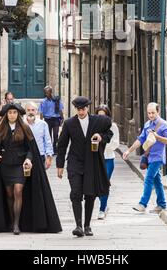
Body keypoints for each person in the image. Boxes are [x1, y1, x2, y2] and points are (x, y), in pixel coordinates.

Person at [0, 103, 62, 235]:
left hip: (20, 165)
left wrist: (29, 159)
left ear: (18, 114)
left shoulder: (24, 128)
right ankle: (11, 221)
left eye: (14, 113)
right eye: (10, 113)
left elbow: (31, 148)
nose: (12, 115)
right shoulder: (0, 128)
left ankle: (16, 224)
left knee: (18, 190)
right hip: (5, 165)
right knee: (9, 194)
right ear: (7, 115)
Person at [56, 96, 113, 238]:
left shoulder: (97, 121)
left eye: (83, 109)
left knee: (90, 194)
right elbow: (62, 145)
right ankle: (78, 226)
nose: (81, 112)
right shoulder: (69, 123)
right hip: (75, 162)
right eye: (79, 109)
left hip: (91, 162)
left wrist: (100, 136)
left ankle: (87, 225)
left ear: (87, 108)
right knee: (75, 193)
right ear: (76, 109)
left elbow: (109, 132)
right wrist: (60, 165)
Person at [122, 102, 167, 213]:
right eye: (149, 113)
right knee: (157, 181)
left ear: (158, 111)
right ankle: (162, 204)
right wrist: (129, 151)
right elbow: (140, 140)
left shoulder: (164, 124)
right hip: (149, 156)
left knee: (148, 179)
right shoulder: (147, 124)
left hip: (158, 157)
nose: (151, 115)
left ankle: (142, 204)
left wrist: (157, 136)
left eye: (153, 113)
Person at [95, 105, 120, 220]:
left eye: (103, 116)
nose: (101, 118)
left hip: (108, 158)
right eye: (99, 116)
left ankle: (102, 208)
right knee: (96, 184)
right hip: (96, 159)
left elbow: (115, 144)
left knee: (104, 184)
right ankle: (104, 205)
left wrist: (103, 142)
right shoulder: (93, 126)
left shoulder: (113, 126)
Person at [25, 102, 54, 169]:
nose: (30, 112)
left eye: (33, 110)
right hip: (25, 156)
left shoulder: (43, 124)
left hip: (40, 155)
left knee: (39, 179)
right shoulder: (22, 124)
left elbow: (47, 141)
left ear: (36, 111)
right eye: (28, 110)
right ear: (25, 111)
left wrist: (49, 156)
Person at [38, 86, 64, 155]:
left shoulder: (57, 100)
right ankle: (49, 149)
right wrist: (41, 122)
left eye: (48, 92)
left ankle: (55, 148)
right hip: (47, 120)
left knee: (55, 135)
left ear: (51, 92)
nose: (46, 94)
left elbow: (60, 110)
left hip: (56, 119)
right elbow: (41, 112)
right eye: (45, 93)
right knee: (48, 135)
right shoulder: (43, 102)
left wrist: (62, 118)